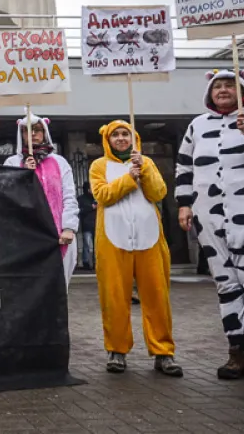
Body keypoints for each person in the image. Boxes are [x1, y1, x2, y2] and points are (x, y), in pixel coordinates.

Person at [176, 69, 244, 385]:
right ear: (209, 94)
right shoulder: (196, 126)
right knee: (226, 286)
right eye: (218, 86)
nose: (223, 90)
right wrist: (184, 203)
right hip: (210, 217)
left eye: (230, 85)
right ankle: (237, 351)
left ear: (242, 91)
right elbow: (184, 166)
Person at [90, 120, 181, 377]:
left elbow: (158, 193)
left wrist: (145, 172)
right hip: (112, 239)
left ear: (134, 139)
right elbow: (103, 195)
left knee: (157, 297)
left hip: (149, 238)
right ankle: (117, 350)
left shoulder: (146, 162)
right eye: (115, 135)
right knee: (114, 298)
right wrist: (129, 178)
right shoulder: (99, 166)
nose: (120, 138)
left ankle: (163, 352)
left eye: (125, 134)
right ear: (107, 140)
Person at [4, 115, 79, 287]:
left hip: (58, 235)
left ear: (45, 132)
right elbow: (8, 197)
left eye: (37, 129)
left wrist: (69, 228)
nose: (32, 134)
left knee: (58, 287)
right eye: (27, 130)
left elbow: (69, 197)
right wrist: (24, 174)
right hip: (27, 236)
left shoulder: (59, 163)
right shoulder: (12, 162)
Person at [77, 186, 97, 270]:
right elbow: (79, 210)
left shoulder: (96, 197)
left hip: (95, 224)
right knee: (87, 245)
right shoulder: (81, 199)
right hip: (87, 224)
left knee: (95, 245)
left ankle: (95, 262)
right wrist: (91, 207)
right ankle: (86, 263)